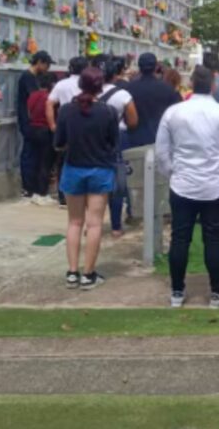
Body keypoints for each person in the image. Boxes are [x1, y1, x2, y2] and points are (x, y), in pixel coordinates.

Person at [156, 66, 219, 309]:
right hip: (214, 184)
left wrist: (172, 172)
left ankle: (177, 291)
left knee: (179, 238)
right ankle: (217, 293)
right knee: (213, 239)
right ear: (213, 85)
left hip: (183, 183)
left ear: (191, 84)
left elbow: (162, 151)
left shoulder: (174, 112)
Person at [54, 67, 119, 291]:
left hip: (73, 168)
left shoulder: (65, 112)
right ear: (100, 87)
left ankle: (72, 272)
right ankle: (88, 274)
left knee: (74, 222)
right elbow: (113, 143)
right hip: (100, 170)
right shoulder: (109, 112)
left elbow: (59, 141)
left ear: (80, 84)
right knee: (94, 224)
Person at [101, 59, 139, 237]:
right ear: (116, 74)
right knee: (118, 183)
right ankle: (116, 226)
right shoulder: (123, 95)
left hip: (94, 139)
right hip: (118, 138)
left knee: (96, 181)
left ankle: (92, 223)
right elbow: (133, 121)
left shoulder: (88, 93)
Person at [47, 56, 90, 207]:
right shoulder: (88, 83)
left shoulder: (62, 84)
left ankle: (63, 196)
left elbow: (50, 103)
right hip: (87, 125)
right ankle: (83, 194)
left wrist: (53, 125)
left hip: (66, 125)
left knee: (64, 161)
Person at [124, 53, 182, 150]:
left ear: (139, 67)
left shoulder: (129, 88)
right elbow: (177, 115)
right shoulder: (167, 89)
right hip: (161, 139)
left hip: (134, 139)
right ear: (156, 67)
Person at [18, 51, 53, 198]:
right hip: (30, 122)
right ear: (39, 62)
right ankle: (28, 187)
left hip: (33, 123)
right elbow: (34, 101)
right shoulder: (28, 78)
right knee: (30, 155)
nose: (47, 68)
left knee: (36, 155)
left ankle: (34, 187)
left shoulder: (34, 77)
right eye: (46, 65)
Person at [25, 71, 57, 206]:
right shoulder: (48, 98)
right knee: (45, 163)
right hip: (44, 130)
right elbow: (50, 114)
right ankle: (42, 192)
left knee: (35, 160)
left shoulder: (32, 96)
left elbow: (29, 112)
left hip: (32, 129)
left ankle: (32, 191)